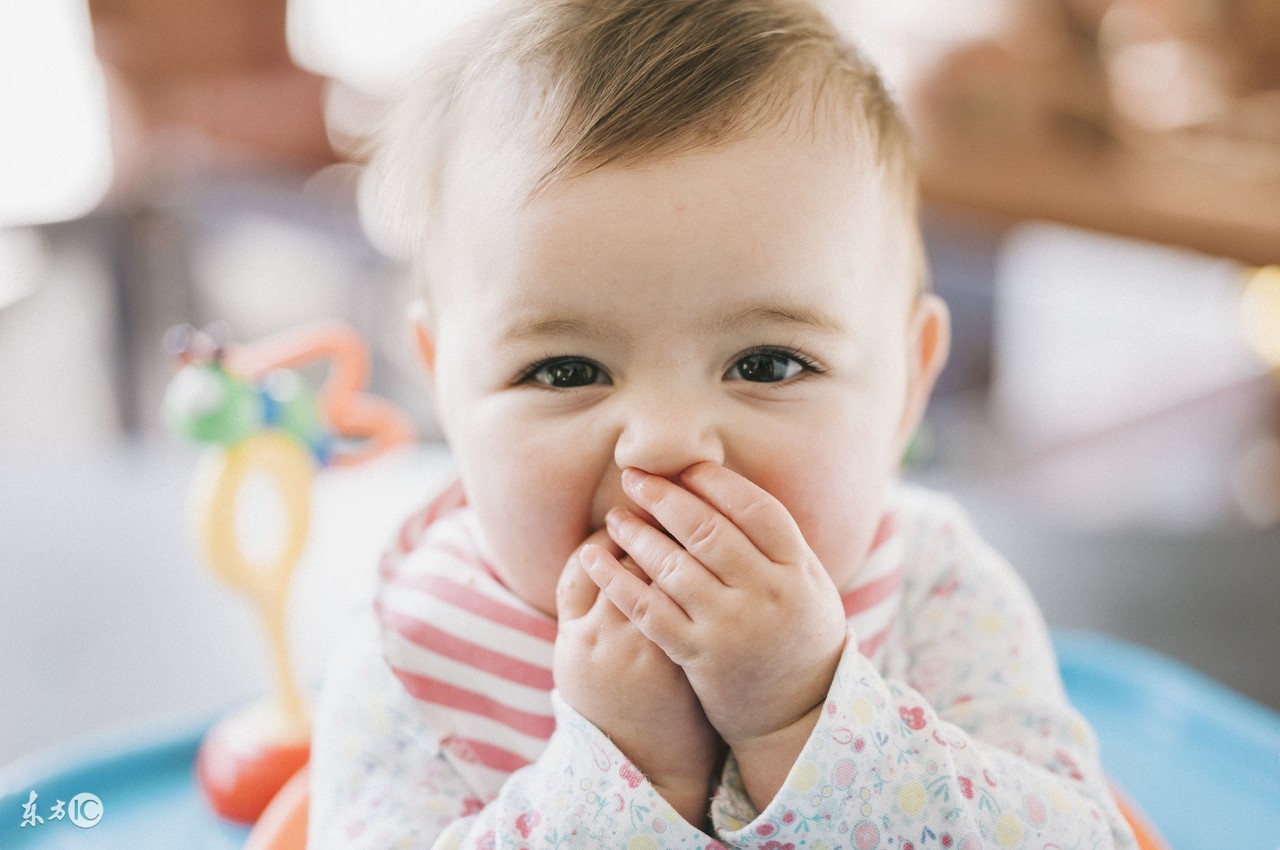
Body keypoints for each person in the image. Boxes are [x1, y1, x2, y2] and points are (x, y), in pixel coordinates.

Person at [308, 1, 1138, 847]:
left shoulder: (935, 592)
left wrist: (807, 722)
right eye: (565, 371)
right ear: (444, 383)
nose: (664, 443)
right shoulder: (412, 652)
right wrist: (626, 778)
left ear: (907, 384)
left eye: (768, 364)